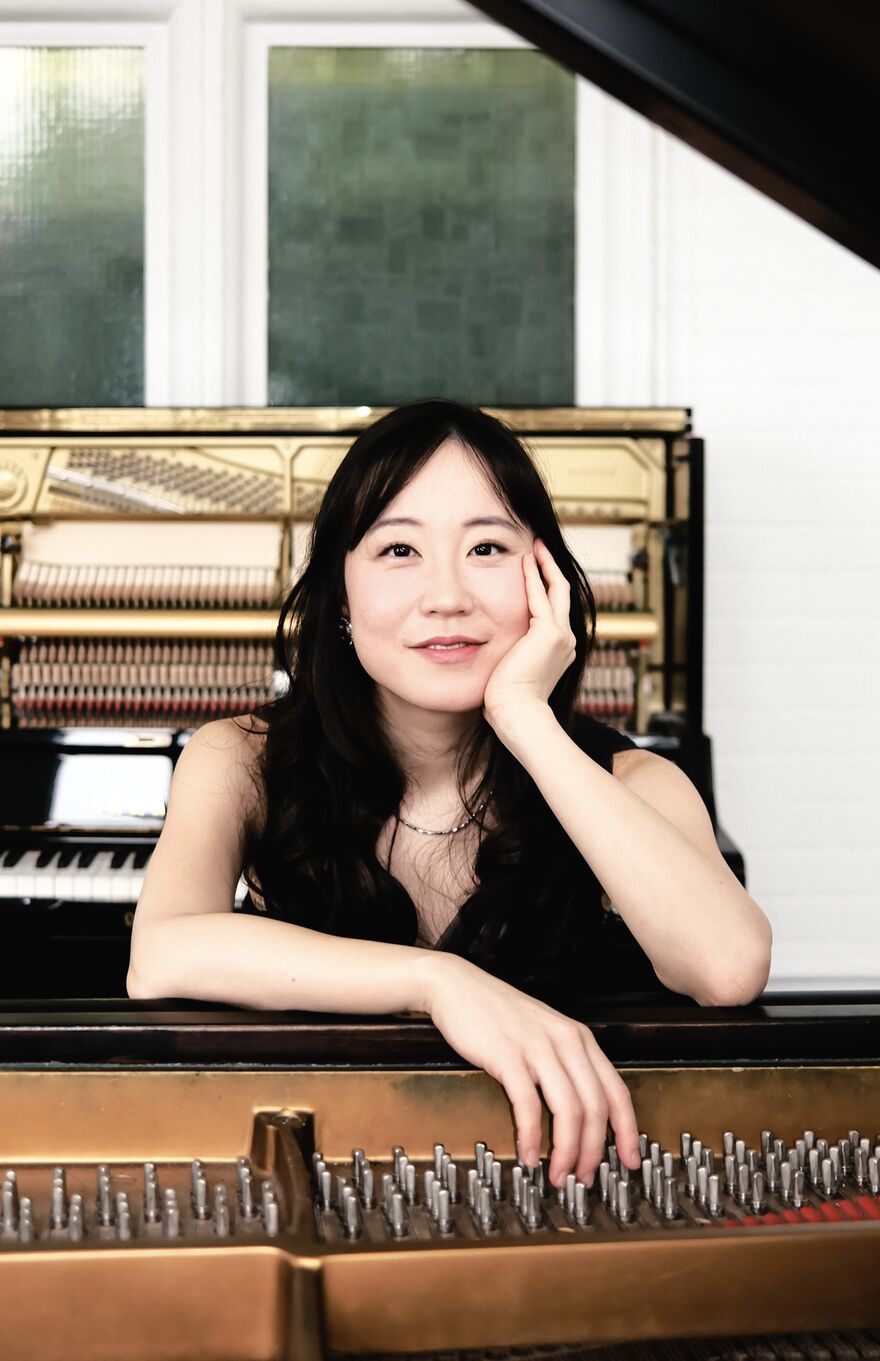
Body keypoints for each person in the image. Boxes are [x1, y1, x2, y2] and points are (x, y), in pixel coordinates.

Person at [128, 399, 772, 1190]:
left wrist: (526, 719)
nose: (447, 596)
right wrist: (438, 983)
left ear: (546, 583)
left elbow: (729, 965)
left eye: (488, 548)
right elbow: (159, 954)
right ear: (340, 591)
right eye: (400, 548)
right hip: (328, 1186)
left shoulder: (629, 781)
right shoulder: (239, 760)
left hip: (573, 1194)